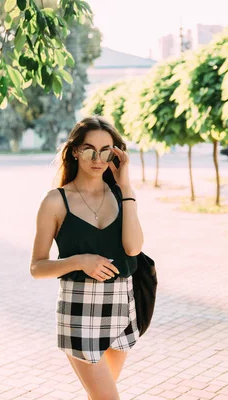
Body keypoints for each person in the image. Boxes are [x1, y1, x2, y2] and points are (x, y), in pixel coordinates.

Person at [30, 116, 144, 399]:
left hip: (122, 305)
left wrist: (126, 187)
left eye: (106, 150)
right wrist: (81, 261)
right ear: (75, 151)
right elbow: (37, 267)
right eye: (89, 149)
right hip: (80, 310)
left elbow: (133, 249)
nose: (98, 158)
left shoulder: (122, 194)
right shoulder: (55, 201)